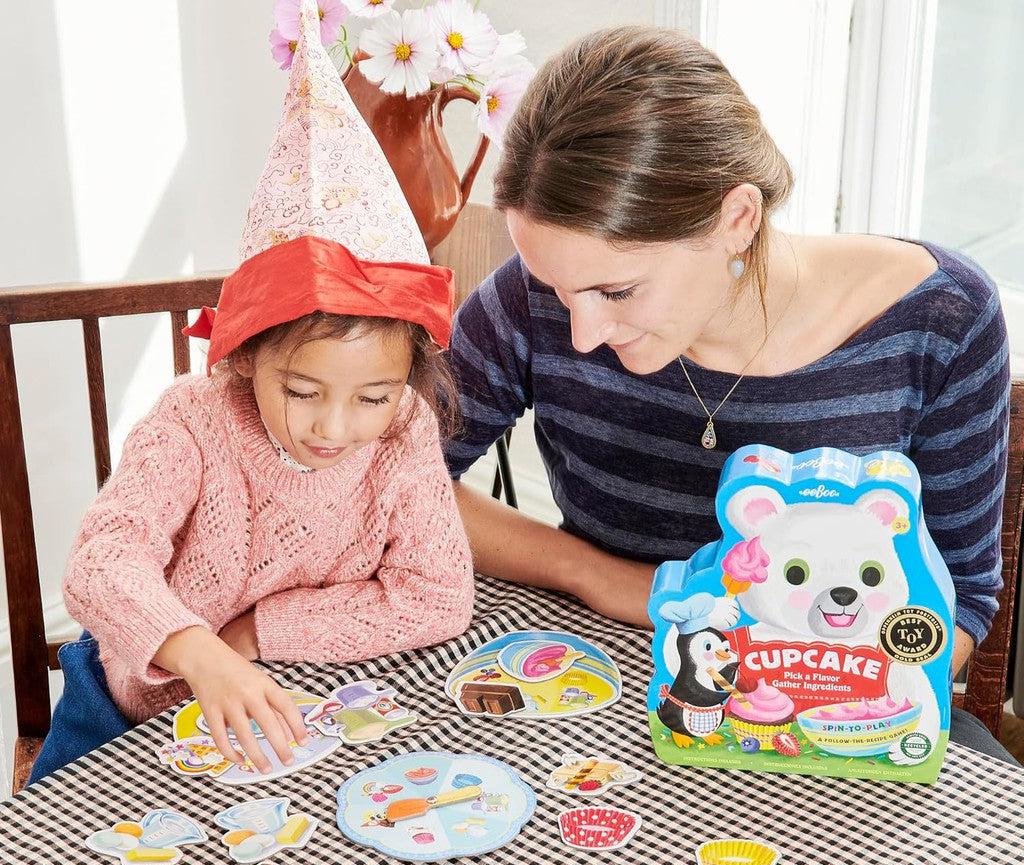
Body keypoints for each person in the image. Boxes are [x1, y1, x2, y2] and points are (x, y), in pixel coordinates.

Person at [445, 26, 1016, 765]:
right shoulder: (530, 300)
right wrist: (591, 573)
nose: (581, 332)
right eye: (559, 289)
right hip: (602, 689)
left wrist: (823, 690)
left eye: (617, 290)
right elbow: (393, 484)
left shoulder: (942, 319)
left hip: (838, 722)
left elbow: (963, 598)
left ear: (736, 219)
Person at [28, 0, 473, 784]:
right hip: (126, 708)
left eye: (373, 395)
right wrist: (197, 649)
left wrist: (257, 631)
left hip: (286, 708)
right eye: (301, 389)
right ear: (241, 358)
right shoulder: (193, 423)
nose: (334, 426)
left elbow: (438, 597)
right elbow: (99, 564)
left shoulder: (403, 431)